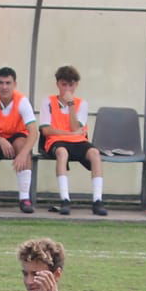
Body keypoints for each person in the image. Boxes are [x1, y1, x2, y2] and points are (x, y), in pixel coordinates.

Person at [39, 66, 107, 216]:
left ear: (76, 85)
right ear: (58, 84)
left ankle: (97, 200)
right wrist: (69, 133)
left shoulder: (81, 103)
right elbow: (46, 130)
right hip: (56, 141)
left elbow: (77, 128)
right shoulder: (48, 102)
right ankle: (65, 199)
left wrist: (71, 105)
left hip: (78, 141)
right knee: (62, 153)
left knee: (95, 153)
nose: (67, 89)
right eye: (64, 85)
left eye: (71, 85)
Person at [0, 66, 39, 214]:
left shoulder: (22, 101)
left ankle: (24, 198)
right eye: (1, 82)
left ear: (14, 84)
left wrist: (23, 154)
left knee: (24, 145)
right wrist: (0, 140)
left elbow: (34, 132)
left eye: (8, 83)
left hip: (16, 136)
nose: (4, 87)